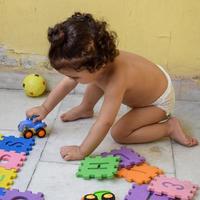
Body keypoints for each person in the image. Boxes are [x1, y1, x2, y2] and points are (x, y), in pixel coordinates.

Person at [26, 12, 198, 161]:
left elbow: (106, 121)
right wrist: (44, 108)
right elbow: (68, 83)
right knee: (94, 79)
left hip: (157, 102)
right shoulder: (98, 60)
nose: (70, 79)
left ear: (97, 65)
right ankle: (86, 108)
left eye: (74, 76)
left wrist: (82, 150)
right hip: (151, 79)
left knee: (120, 133)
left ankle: (169, 128)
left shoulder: (117, 79)